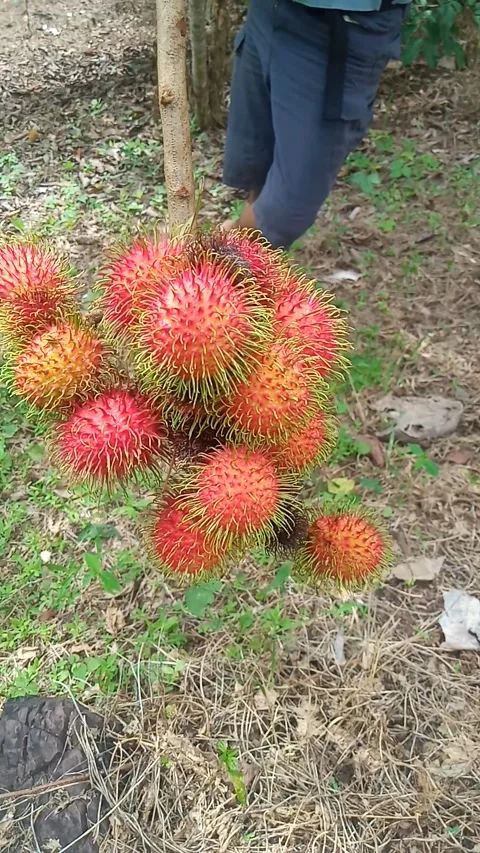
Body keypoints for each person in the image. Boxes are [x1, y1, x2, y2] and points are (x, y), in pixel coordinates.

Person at [222, 0, 410, 250]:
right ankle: (232, 260)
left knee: (285, 209)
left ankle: (225, 264)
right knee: (261, 165)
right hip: (270, 11)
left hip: (340, 23)